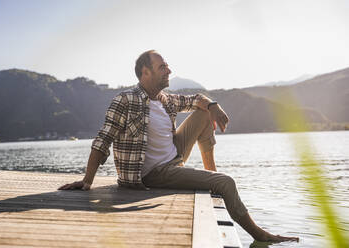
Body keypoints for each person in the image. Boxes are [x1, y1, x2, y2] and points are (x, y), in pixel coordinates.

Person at [59, 50, 299, 243]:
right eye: (162, 67)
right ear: (145, 72)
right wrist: (87, 181)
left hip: (174, 159)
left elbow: (196, 99)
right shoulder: (125, 100)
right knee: (226, 182)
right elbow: (103, 140)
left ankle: (210, 175)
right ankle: (259, 233)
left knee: (203, 113)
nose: (169, 71)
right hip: (153, 174)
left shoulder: (165, 100)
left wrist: (213, 104)